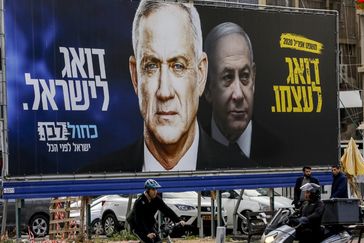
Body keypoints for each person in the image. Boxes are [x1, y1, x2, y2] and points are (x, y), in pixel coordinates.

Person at [80, 1, 249, 173]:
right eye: (151, 66)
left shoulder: (241, 173)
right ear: (135, 76)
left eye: (178, 66)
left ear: (201, 74)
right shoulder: (96, 177)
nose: (164, 92)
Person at [203, 22, 278, 162]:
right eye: (227, 77)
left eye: (245, 76)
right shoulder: (193, 153)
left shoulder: (278, 151)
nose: (238, 95)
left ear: (253, 79)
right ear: (207, 87)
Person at [129, 179, 185, 243]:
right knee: (148, 241)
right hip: (137, 226)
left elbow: (167, 210)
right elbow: (139, 220)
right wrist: (147, 233)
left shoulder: (157, 199)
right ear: (147, 190)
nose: (155, 192)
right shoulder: (139, 202)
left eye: (156, 189)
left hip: (148, 224)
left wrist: (178, 220)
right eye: (153, 189)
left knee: (158, 241)